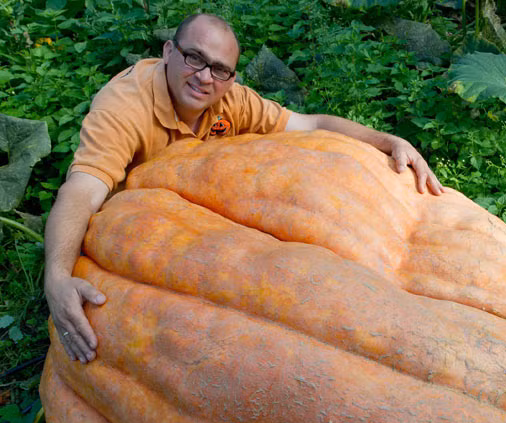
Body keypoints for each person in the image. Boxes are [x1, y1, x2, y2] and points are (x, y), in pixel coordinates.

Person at [45, 13, 444, 364]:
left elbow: (311, 124)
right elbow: (83, 190)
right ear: (168, 50)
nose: (205, 77)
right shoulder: (125, 107)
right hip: (135, 236)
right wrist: (58, 277)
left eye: (220, 69)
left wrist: (386, 141)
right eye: (194, 58)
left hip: (196, 214)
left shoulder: (230, 100)